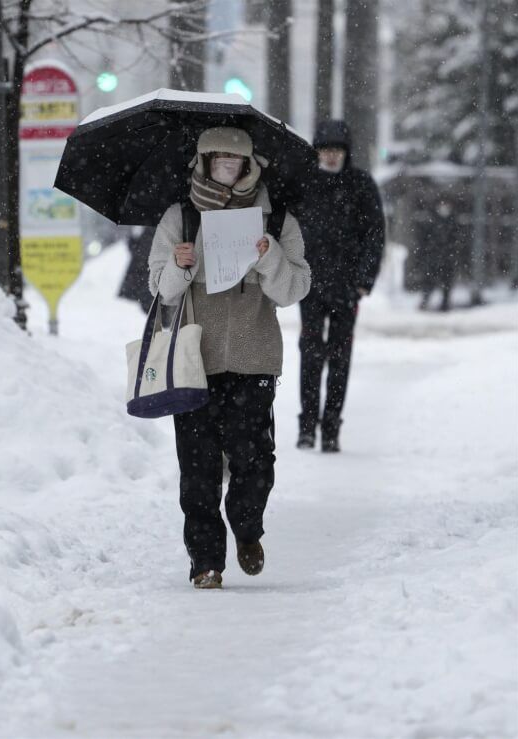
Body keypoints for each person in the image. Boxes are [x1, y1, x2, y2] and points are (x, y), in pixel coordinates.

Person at [148, 127, 311, 590]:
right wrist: (179, 266)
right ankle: (205, 562)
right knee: (196, 468)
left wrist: (268, 256)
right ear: (201, 162)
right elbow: (158, 290)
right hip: (193, 361)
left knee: (255, 461)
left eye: (234, 162)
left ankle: (247, 529)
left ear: (249, 166)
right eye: (216, 161)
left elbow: (294, 289)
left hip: (254, 359)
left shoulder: (277, 220)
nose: (226, 169)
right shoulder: (179, 218)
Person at [294, 120, 385, 453]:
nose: (331, 157)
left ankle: (331, 427)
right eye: (326, 150)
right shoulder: (304, 183)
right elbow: (289, 229)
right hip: (310, 285)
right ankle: (307, 426)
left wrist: (363, 280)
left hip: (347, 288)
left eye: (337, 150)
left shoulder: (360, 185)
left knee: (340, 357)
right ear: (317, 151)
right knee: (310, 355)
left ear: (346, 153)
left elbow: (375, 234)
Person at [416, 195, 459, 311]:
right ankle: (425, 300)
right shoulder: (432, 220)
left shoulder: (453, 221)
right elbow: (424, 239)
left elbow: (456, 240)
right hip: (433, 256)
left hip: (447, 257)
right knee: (429, 280)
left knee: (447, 281)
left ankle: (445, 303)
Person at [118, 226, 156, 313]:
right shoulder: (145, 228)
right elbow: (135, 249)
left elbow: (137, 249)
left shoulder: (149, 229)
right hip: (142, 273)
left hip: (144, 273)